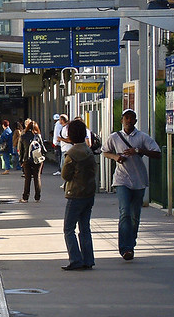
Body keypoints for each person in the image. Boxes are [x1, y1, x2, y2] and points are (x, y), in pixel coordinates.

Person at [101, 108, 161, 260]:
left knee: (135, 215)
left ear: (135, 120)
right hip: (122, 179)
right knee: (124, 212)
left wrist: (139, 150)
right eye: (126, 118)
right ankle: (125, 248)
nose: (128, 120)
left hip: (139, 180)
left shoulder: (142, 137)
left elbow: (157, 153)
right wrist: (116, 157)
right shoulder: (115, 137)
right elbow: (105, 151)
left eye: (131, 118)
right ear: (122, 120)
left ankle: (131, 243)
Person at [60, 119, 97, 270]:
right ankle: (88, 259)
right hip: (89, 193)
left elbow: (65, 175)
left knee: (68, 228)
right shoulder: (89, 151)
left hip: (75, 193)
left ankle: (75, 259)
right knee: (85, 227)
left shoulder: (72, 153)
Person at [19, 121, 45, 202]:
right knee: (37, 178)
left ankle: (25, 198)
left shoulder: (23, 136)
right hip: (37, 160)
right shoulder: (38, 136)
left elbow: (21, 150)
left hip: (27, 160)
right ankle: (37, 197)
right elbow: (44, 149)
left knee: (27, 179)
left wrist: (21, 161)